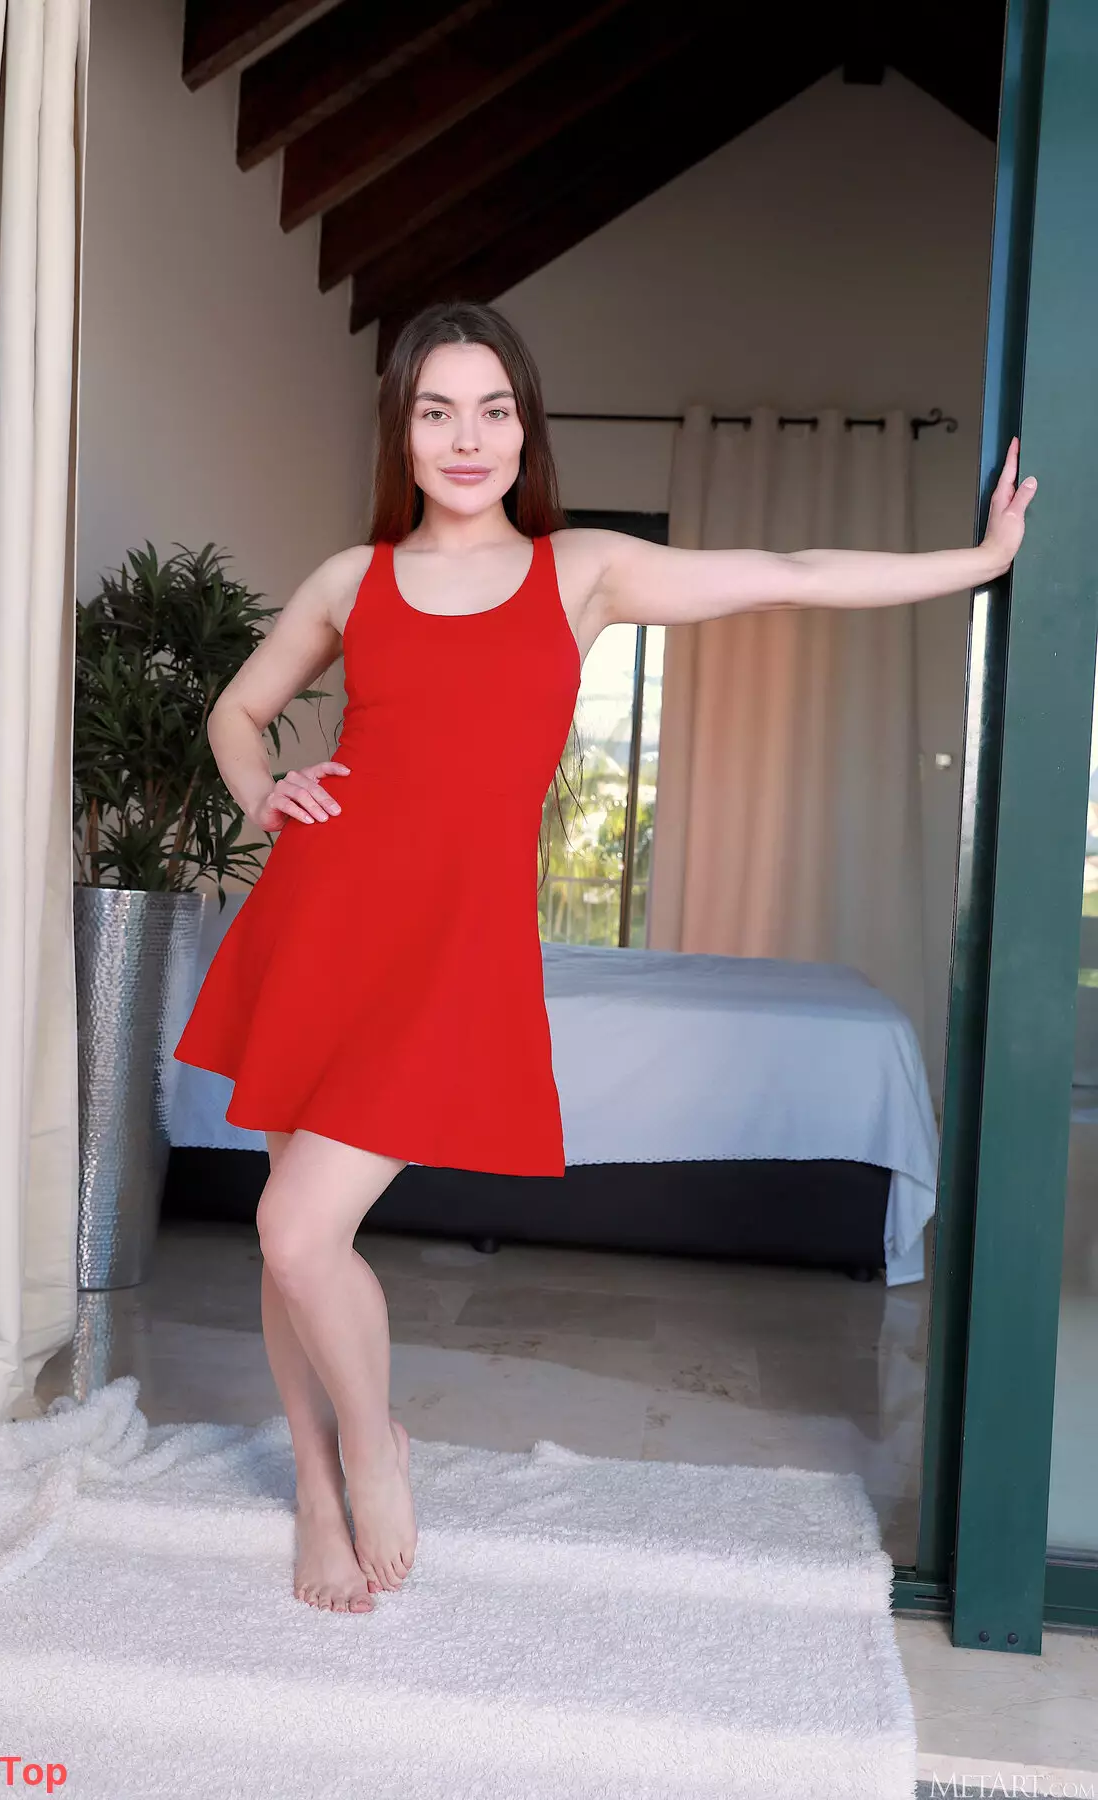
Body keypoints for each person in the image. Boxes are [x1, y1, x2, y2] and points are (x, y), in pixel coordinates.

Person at [172, 299, 1036, 1615]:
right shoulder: (353, 580)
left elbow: (791, 571)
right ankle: (316, 1483)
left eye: (494, 411)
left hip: (448, 954)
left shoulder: (581, 571)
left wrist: (975, 562)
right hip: (318, 918)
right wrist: (265, 791)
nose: (469, 439)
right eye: (438, 412)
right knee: (292, 1236)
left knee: (296, 1228)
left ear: (526, 429)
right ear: (403, 433)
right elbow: (238, 711)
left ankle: (375, 1446)